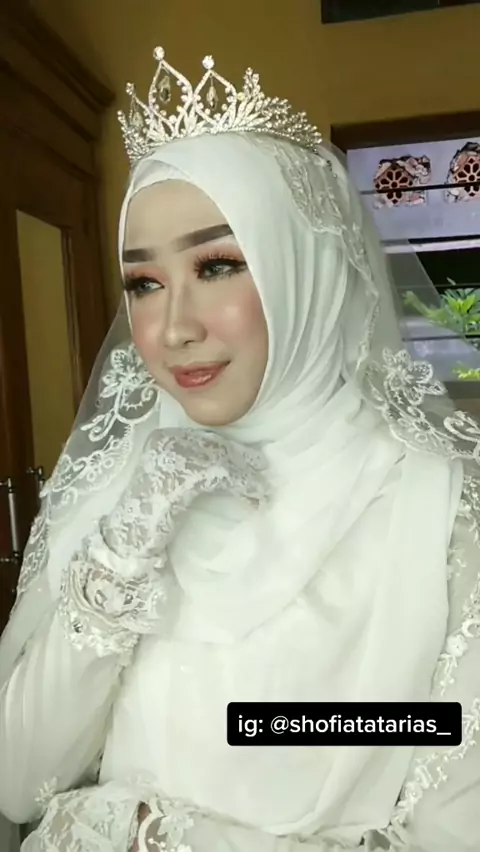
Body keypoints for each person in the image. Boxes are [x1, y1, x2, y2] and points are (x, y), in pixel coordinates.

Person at [0, 47, 479, 852]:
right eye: (143, 283)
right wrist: (126, 547)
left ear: (307, 270)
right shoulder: (123, 487)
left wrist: (149, 834)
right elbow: (18, 779)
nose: (173, 327)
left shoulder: (439, 511)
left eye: (218, 265)